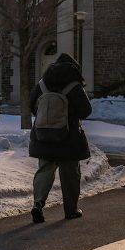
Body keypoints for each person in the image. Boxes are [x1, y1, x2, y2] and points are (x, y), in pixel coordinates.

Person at [28, 53, 94, 224]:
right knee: (70, 175)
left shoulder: (42, 84)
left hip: (43, 136)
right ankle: (71, 211)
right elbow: (86, 110)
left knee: (44, 171)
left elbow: (31, 105)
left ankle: (38, 205)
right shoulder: (74, 85)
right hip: (68, 138)